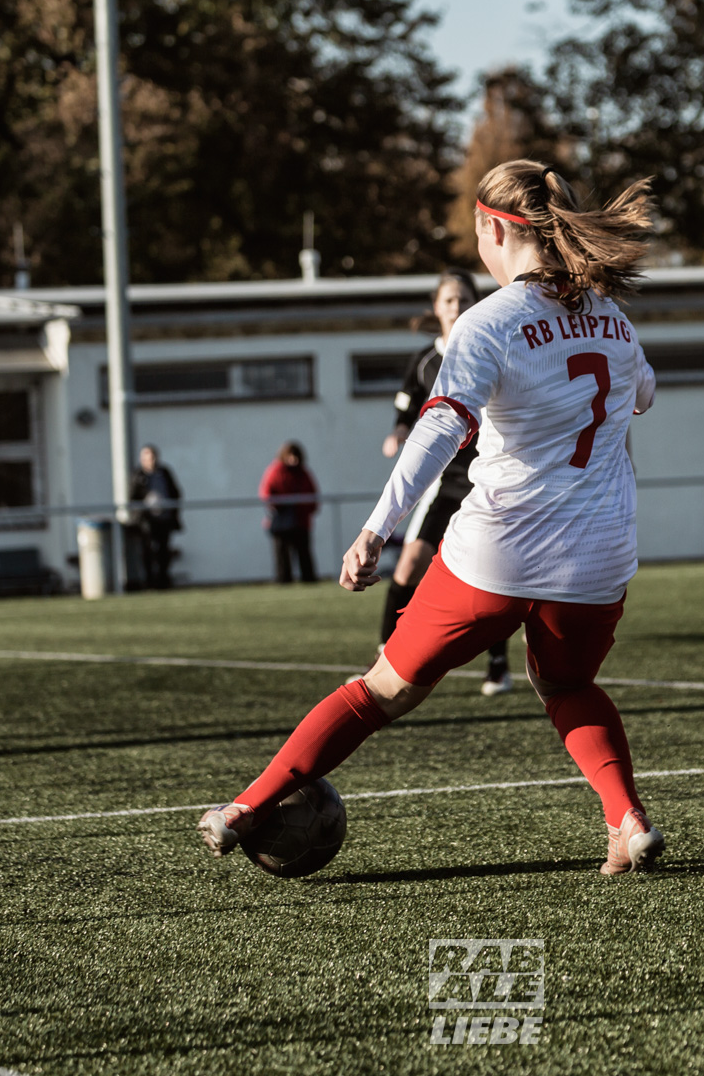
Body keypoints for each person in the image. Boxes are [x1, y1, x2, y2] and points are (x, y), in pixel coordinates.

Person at [200, 159, 666, 875]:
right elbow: (643, 396)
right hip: (598, 551)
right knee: (569, 687)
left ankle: (244, 807)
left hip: (499, 549)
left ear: (492, 228)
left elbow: (440, 428)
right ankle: (626, 820)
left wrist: (376, 528)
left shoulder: (489, 323)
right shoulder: (611, 315)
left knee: (381, 690)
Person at [378, 270, 514, 695]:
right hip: (447, 479)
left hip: (489, 476)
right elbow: (406, 411)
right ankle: (384, 654)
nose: (456, 307)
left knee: (493, 573)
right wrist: (398, 432)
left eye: (464, 299)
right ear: (437, 307)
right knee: (409, 565)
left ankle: (498, 666)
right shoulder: (424, 361)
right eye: (449, 300)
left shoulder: (492, 347)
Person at [260, 442, 319, 583]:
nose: (294, 460)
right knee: (281, 553)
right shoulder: (275, 471)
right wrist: (277, 507)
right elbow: (266, 492)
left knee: (304, 552)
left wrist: (307, 509)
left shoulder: (303, 473)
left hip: (301, 520)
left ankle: (308, 579)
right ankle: (283, 579)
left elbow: (312, 493)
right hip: (281, 521)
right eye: (291, 456)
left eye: (296, 456)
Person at [128, 444, 183, 590]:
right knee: (147, 551)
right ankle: (149, 582)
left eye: (152, 457)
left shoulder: (164, 472)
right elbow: (132, 497)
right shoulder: (138, 475)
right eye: (146, 457)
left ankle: (164, 581)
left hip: (164, 519)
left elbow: (176, 492)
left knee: (164, 551)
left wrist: (172, 510)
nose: (150, 460)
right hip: (146, 522)